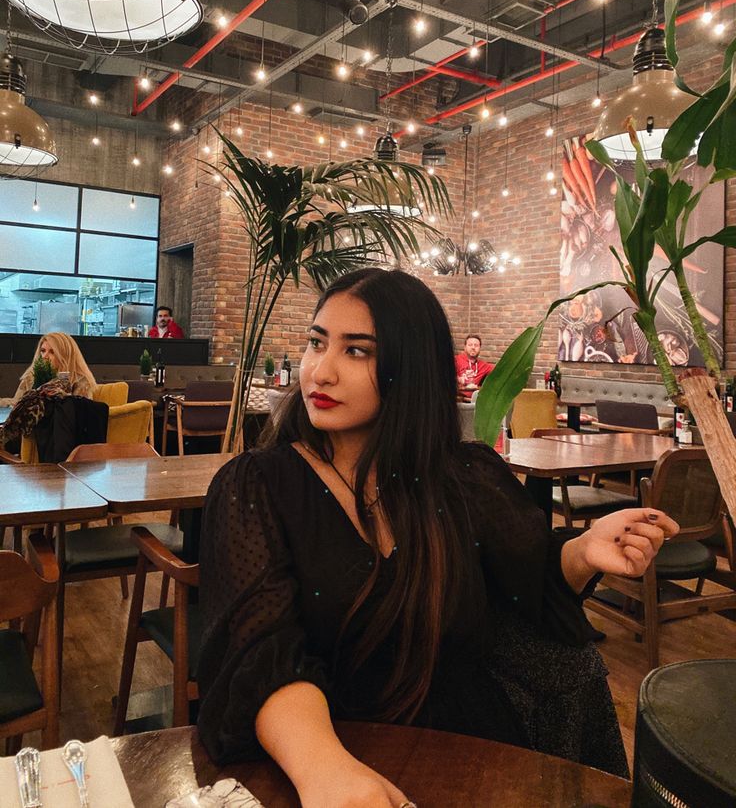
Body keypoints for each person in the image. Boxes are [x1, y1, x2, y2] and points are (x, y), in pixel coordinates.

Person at [197, 268, 678, 806]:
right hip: (318, 756)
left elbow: (526, 586)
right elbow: (260, 649)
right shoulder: (257, 485)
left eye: (357, 351)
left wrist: (583, 550)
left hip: (473, 750)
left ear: (414, 367)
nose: (320, 371)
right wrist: (325, 768)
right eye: (317, 343)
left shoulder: (461, 476)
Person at [0, 332, 96, 406]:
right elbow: (17, 403)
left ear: (64, 355)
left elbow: (80, 413)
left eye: (52, 352)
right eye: (43, 351)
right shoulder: (31, 377)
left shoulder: (80, 381)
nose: (45, 356)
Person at [455, 334, 493, 400]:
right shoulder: (456, 360)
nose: (473, 347)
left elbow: (500, 370)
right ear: (465, 347)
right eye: (470, 345)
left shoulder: (483, 365)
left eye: (476, 345)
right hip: (458, 398)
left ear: (480, 348)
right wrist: (458, 378)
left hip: (474, 399)